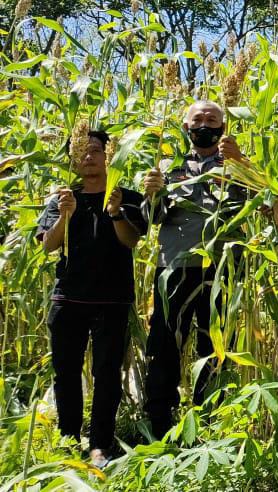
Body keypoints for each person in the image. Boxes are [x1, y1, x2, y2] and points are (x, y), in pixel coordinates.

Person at [36, 129, 147, 467]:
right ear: (73, 157)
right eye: (82, 151)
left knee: (107, 373)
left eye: (95, 150)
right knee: (65, 373)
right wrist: (66, 215)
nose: (88, 156)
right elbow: (48, 245)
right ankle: (69, 440)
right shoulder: (62, 199)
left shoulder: (126, 196)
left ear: (109, 154)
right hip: (68, 299)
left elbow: (131, 241)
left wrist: (115, 212)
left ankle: (100, 443)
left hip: (112, 300)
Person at [140, 100, 249, 439]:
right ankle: (159, 423)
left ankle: (208, 421)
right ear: (186, 127)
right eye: (198, 119)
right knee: (164, 344)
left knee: (214, 345)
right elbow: (152, 219)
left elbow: (263, 204)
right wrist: (152, 195)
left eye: (212, 119)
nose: (205, 124)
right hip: (174, 267)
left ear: (223, 125)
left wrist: (242, 164)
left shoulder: (235, 163)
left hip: (221, 267)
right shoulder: (168, 165)